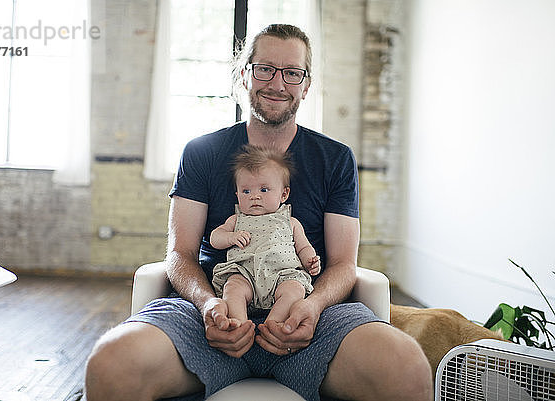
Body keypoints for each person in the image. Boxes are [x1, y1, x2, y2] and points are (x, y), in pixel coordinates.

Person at [85, 24, 432, 401]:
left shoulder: (335, 158)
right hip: (213, 314)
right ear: (243, 74)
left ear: (306, 84)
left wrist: (311, 306)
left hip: (307, 318)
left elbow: (344, 263)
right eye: (264, 68)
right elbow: (180, 255)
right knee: (110, 363)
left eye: (291, 73)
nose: (277, 84)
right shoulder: (202, 152)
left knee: (406, 366)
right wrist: (208, 305)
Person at [210, 145, 321, 327]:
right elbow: (215, 237)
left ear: (283, 194)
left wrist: (310, 260)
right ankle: (239, 324)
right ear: (237, 195)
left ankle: (273, 324)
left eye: (263, 190)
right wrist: (230, 237)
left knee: (295, 289)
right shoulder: (236, 220)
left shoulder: (290, 222)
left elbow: (303, 247)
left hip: (282, 275)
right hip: (245, 273)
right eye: (246, 191)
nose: (254, 196)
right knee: (232, 287)